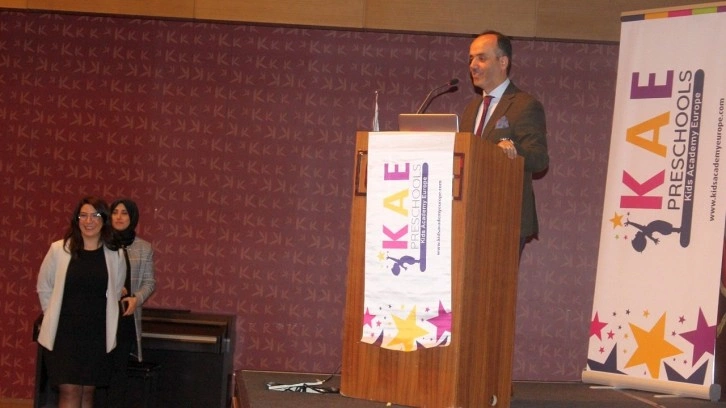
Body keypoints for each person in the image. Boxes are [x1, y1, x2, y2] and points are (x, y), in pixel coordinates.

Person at [461, 30, 550, 254]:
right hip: (469, 215)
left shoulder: (524, 105)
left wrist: (511, 149)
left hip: (504, 218)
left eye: (481, 58)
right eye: (471, 59)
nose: (473, 65)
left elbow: (539, 159)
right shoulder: (472, 109)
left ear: (503, 62)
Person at [36, 196, 126, 408]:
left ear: (104, 219)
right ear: (76, 220)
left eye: (94, 215)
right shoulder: (59, 250)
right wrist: (52, 313)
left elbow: (115, 291)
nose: (88, 221)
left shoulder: (116, 254)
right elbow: (44, 287)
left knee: (87, 392)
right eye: (83, 215)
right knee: (69, 391)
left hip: (97, 333)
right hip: (64, 333)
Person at [106, 198, 156, 408]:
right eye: (115, 212)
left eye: (124, 213)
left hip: (125, 317)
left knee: (118, 372)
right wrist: (112, 287)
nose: (118, 217)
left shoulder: (144, 248)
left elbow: (149, 282)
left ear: (133, 217)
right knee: (98, 371)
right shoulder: (100, 243)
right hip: (100, 317)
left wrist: (137, 298)